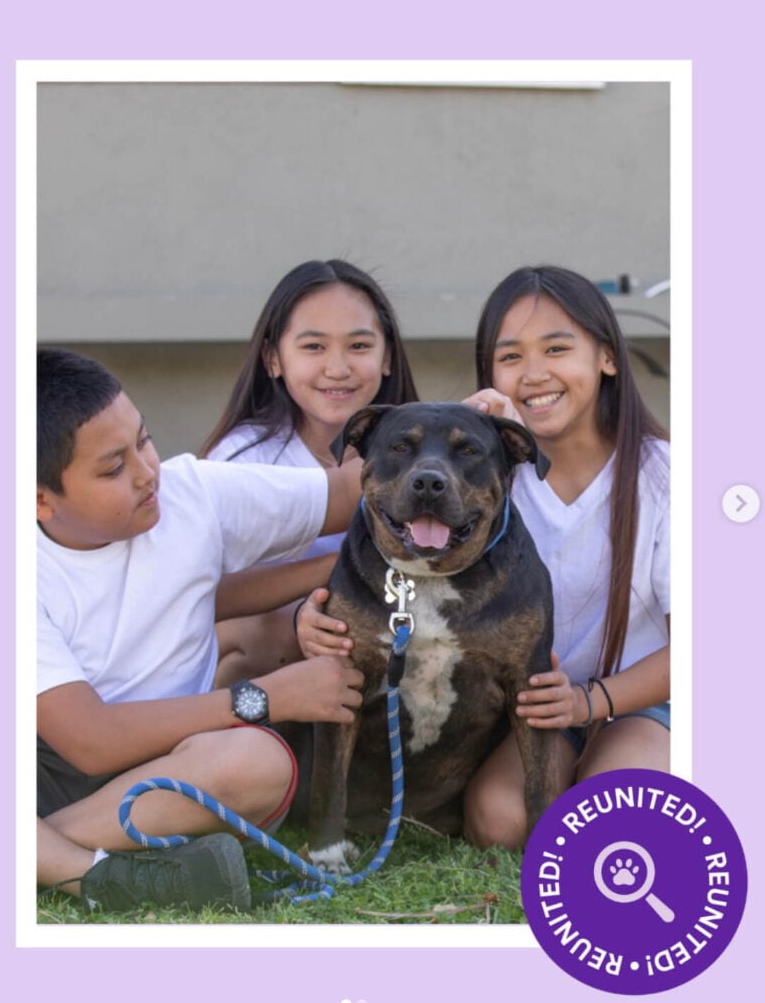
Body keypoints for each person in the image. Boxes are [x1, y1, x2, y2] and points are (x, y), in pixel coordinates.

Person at [296, 265, 670, 851]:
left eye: (557, 348)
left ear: (608, 358)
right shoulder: (486, 466)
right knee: (500, 824)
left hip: (631, 703)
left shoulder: (663, 477)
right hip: (547, 716)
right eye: (511, 356)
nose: (535, 373)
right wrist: (309, 615)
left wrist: (590, 701)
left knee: (610, 826)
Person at [36, 348, 364, 913]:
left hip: (172, 766)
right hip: (41, 770)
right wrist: (268, 697)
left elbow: (347, 493)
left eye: (144, 440)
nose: (146, 473)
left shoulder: (191, 494)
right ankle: (93, 874)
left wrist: (474, 413)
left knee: (259, 763)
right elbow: (91, 743)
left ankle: (37, 851)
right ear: (41, 500)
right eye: (113, 468)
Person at [200, 259, 418, 685]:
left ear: (387, 356)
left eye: (358, 346)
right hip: (267, 673)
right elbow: (205, 592)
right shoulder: (243, 460)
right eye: (314, 347)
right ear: (273, 358)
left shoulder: (423, 452)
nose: (337, 368)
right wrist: (305, 607)